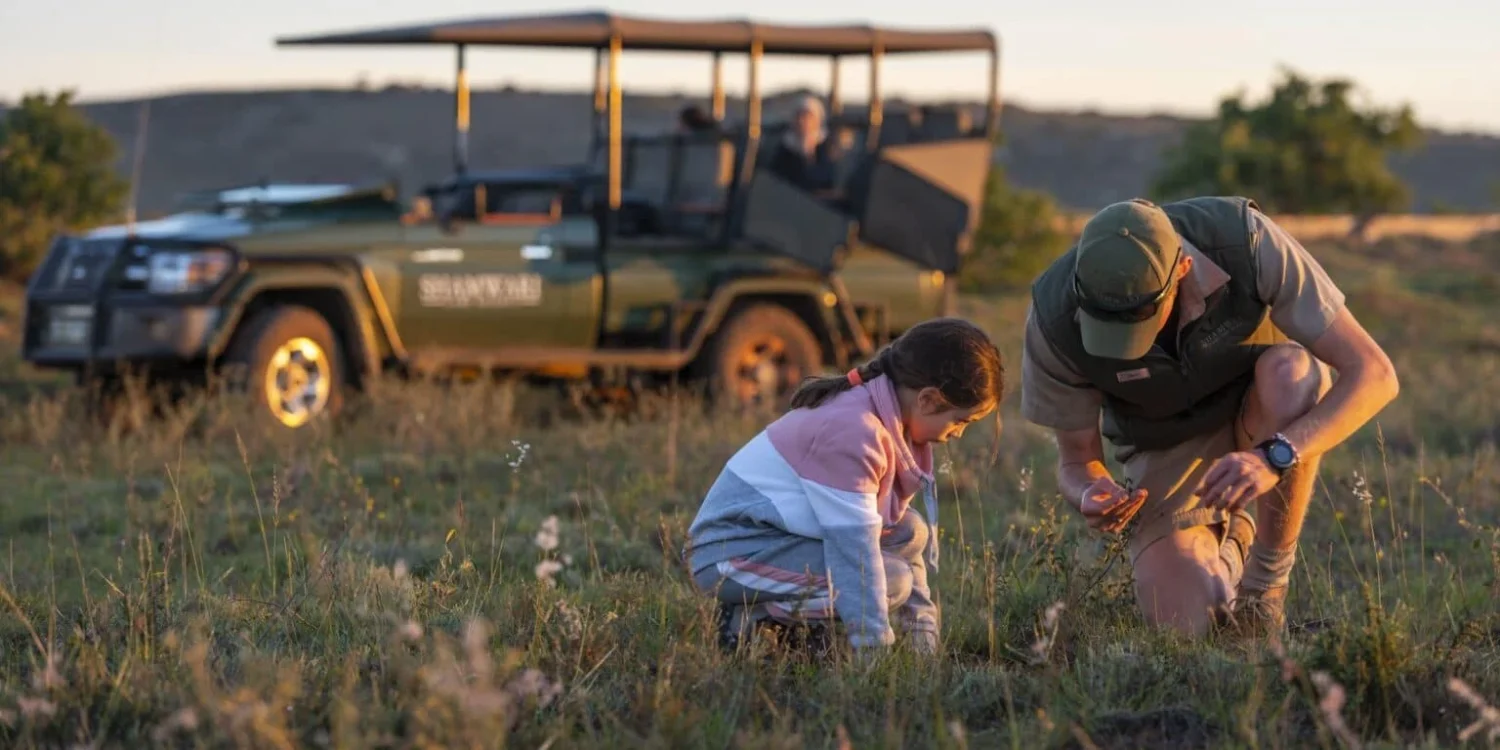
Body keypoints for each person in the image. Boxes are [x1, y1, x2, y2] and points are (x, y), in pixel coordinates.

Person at [1021, 196, 1400, 637]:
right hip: (1162, 446)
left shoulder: (1247, 242)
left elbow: (1375, 375)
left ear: (1181, 270)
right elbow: (1075, 462)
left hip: (1264, 420)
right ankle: (1231, 536)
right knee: (1186, 627)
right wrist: (1088, 492)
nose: (1128, 341)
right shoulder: (1052, 316)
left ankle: (1265, 586)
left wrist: (1275, 455)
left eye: (1140, 319)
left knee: (1292, 374)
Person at [685, 317, 1005, 655]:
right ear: (926, 399)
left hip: (774, 541)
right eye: (960, 420)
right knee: (891, 581)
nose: (959, 433)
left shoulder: (882, 419)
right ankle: (753, 622)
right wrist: (874, 653)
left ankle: (780, 618)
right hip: (727, 557)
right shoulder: (855, 432)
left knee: (911, 529)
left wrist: (923, 633)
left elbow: (895, 537)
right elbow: (855, 554)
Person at [764, 95, 843, 194]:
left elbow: (829, 178)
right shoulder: (784, 148)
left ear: (818, 120)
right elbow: (776, 179)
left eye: (807, 117)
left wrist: (809, 156)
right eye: (798, 116)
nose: (802, 121)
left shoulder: (828, 147)